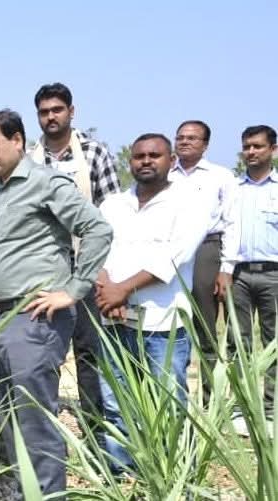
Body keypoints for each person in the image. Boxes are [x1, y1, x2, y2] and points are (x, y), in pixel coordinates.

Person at [0, 109, 112, 496]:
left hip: (34, 319)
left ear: (17, 140)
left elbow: (97, 229)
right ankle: (22, 492)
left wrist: (74, 289)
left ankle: (47, 494)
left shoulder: (46, 183)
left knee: (34, 421)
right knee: (8, 419)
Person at [95, 133, 207, 471]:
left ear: (171, 160)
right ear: (130, 162)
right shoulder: (113, 205)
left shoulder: (190, 203)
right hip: (115, 318)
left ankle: (173, 474)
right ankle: (121, 473)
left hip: (164, 323)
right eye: (139, 156)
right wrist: (107, 289)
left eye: (154, 155)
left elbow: (173, 257)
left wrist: (122, 290)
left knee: (168, 401)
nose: (146, 161)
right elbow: (95, 248)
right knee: (116, 401)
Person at [30, 82, 121, 437]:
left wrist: (103, 270)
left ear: (71, 111)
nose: (50, 117)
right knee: (44, 352)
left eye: (57, 110)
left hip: (86, 268)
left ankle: (96, 431)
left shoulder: (94, 153)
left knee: (89, 351)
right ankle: (45, 433)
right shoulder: (30, 159)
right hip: (43, 271)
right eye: (44, 112)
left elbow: (111, 214)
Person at [168, 120, 238, 399]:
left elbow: (233, 223)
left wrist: (227, 268)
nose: (184, 142)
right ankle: (174, 395)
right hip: (170, 252)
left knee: (205, 327)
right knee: (170, 323)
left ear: (205, 145)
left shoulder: (221, 176)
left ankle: (210, 398)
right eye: (180, 137)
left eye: (192, 138)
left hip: (206, 251)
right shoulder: (165, 174)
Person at [230, 125, 278, 436]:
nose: (251, 152)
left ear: (273, 149)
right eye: (247, 146)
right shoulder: (234, 189)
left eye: (258, 146)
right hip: (238, 274)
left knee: (273, 344)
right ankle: (241, 409)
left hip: (274, 274)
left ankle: (271, 410)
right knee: (239, 343)